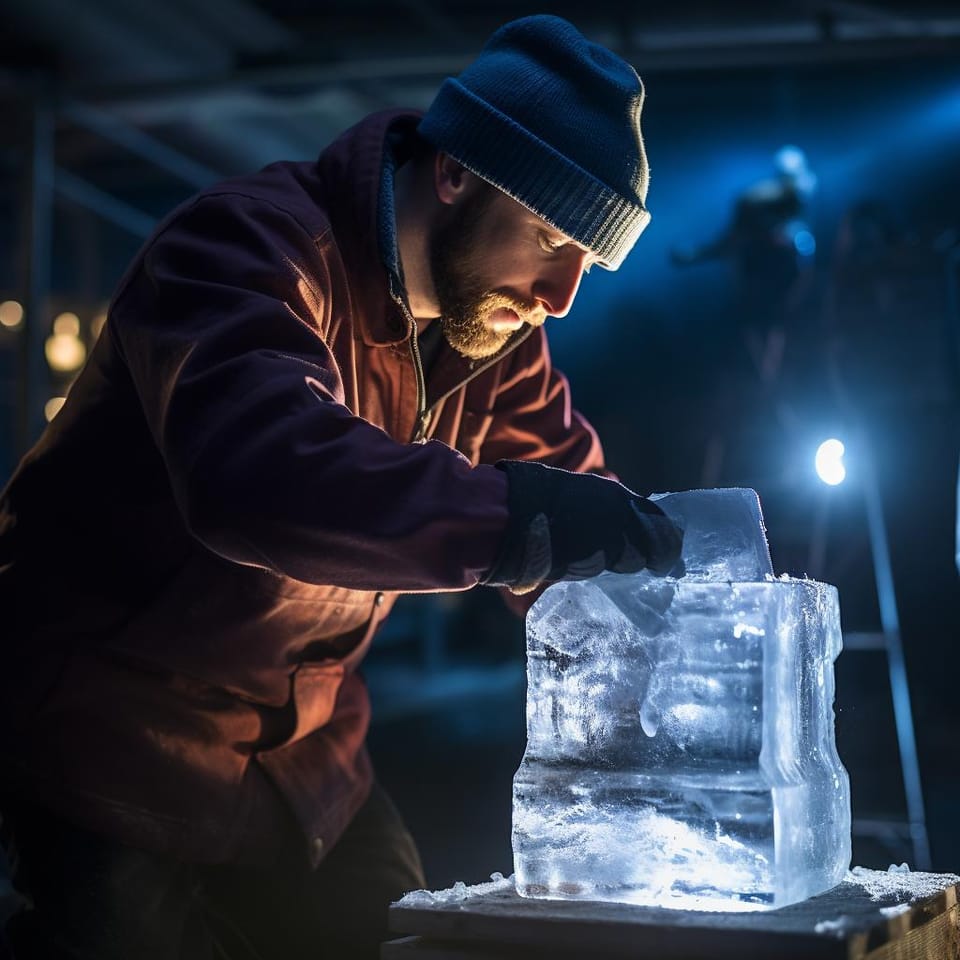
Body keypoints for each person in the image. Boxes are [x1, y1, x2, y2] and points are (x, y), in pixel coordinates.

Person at [0, 15, 681, 960]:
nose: (562, 294)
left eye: (588, 264)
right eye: (551, 237)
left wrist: (673, 604)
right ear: (455, 175)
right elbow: (263, 475)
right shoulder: (246, 249)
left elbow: (576, 502)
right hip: (115, 737)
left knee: (402, 946)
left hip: (309, 759)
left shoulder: (494, 334)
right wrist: (519, 523)